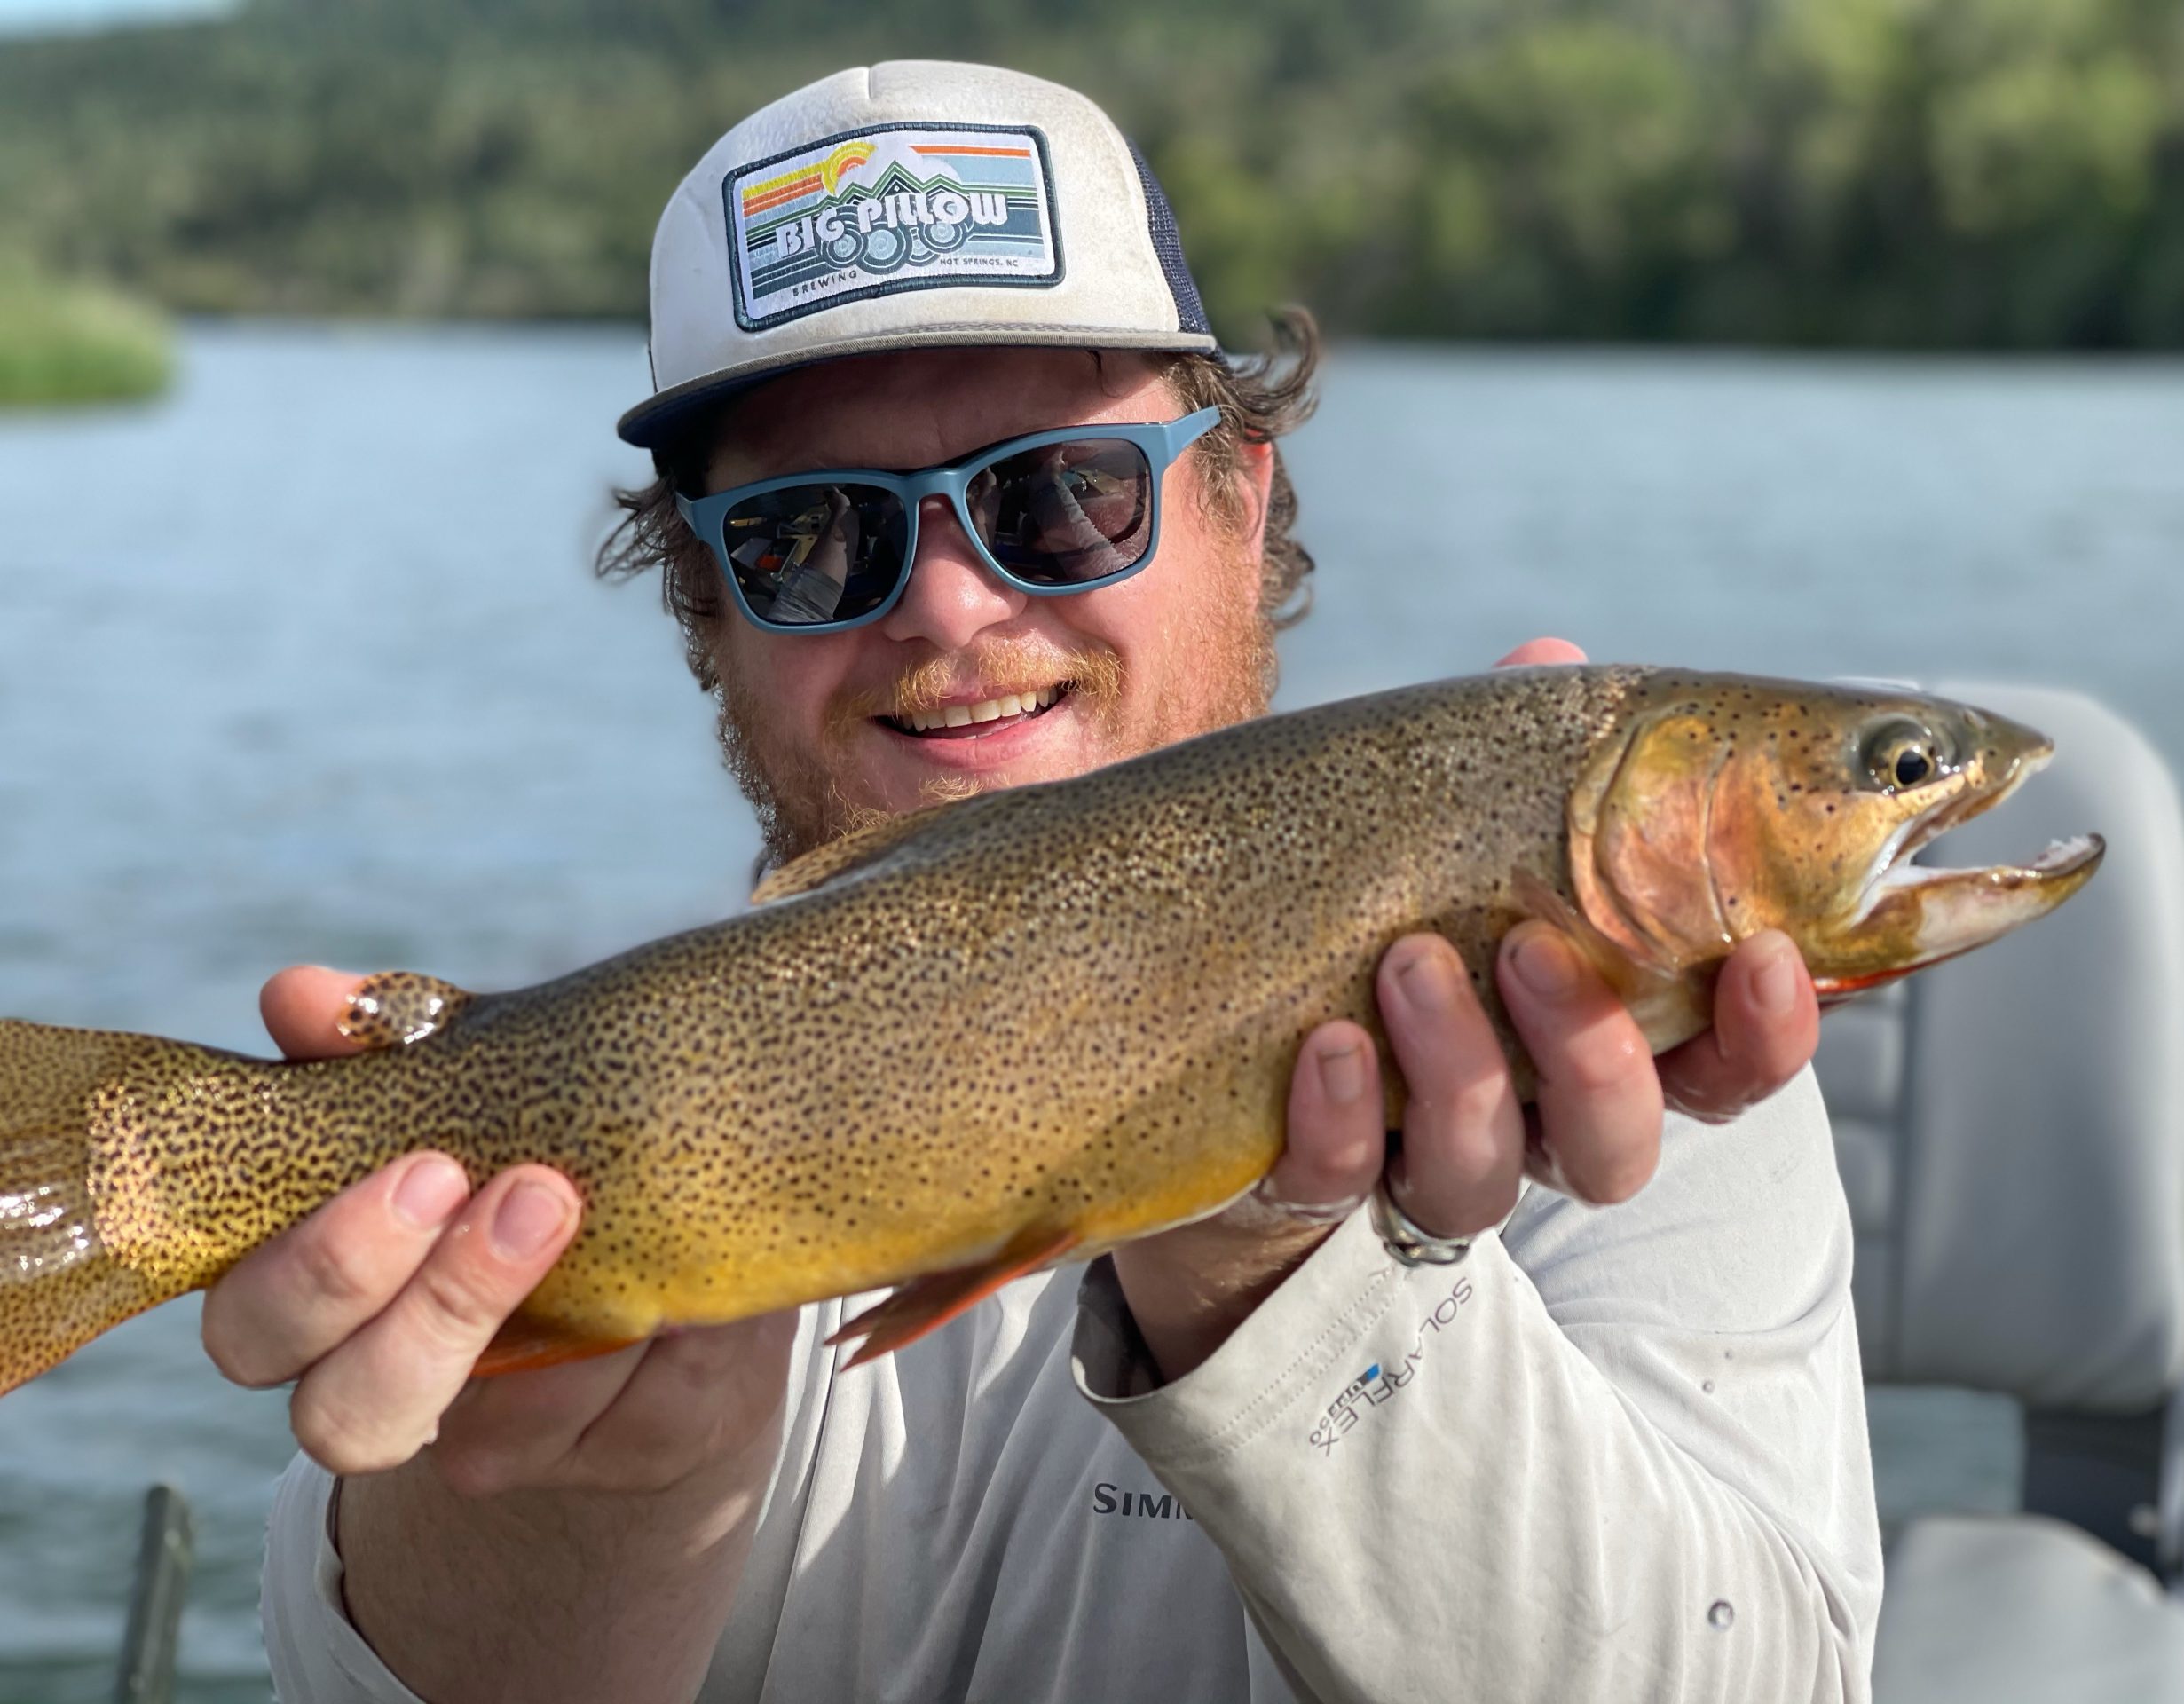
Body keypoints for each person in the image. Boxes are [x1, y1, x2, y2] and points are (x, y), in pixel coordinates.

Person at [242, 61, 1880, 1703]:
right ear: (710, 621)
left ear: (1241, 508)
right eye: (812, 537)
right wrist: (587, 1497)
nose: (949, 607)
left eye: (1061, 499)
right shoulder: (601, 1124)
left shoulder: (1617, 1044)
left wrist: (1274, 1256)